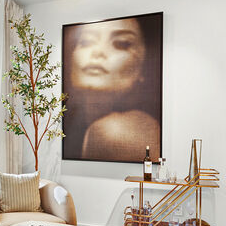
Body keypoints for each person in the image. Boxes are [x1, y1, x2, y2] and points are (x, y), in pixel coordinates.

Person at [63, 15, 161, 162]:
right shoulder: (70, 123)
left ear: (143, 66)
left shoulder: (114, 131)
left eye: (121, 44)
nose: (98, 52)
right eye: (86, 42)